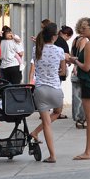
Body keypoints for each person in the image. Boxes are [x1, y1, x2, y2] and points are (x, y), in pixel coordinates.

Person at [67, 17, 90, 160]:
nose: (81, 31)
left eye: (84, 28)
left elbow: (86, 67)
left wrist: (75, 60)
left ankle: (88, 151)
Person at [29, 23, 66, 163]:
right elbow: (63, 71)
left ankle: (52, 156)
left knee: (46, 123)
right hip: (55, 89)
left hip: (40, 90)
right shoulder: (60, 51)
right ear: (55, 36)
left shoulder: (36, 50)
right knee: (57, 112)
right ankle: (35, 132)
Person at [53, 25, 73, 120]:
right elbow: (66, 57)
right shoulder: (62, 43)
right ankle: (57, 112)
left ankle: (47, 112)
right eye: (69, 37)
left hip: (51, 69)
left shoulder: (55, 40)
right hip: (59, 69)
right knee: (57, 91)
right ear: (66, 34)